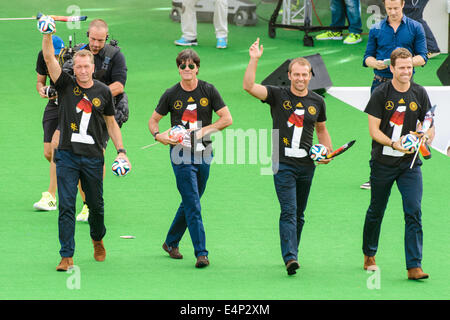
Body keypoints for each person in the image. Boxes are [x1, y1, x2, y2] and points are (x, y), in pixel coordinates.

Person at [38, 15, 131, 271]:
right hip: (67, 155)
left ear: (92, 67)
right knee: (66, 206)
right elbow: (48, 60)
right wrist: (48, 34)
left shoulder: (102, 91)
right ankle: (66, 255)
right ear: (74, 67)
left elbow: (111, 124)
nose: (81, 70)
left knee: (96, 206)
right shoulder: (66, 85)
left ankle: (97, 238)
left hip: (93, 157)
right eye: (77, 66)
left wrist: (121, 151)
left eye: (85, 67)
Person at [243, 38, 333, 276]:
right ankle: (290, 257)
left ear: (311, 75)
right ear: (289, 75)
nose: (300, 78)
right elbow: (249, 87)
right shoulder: (277, 95)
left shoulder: (318, 102)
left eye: (305, 74)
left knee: (300, 214)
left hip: (306, 165)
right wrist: (254, 60)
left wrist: (328, 153)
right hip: (281, 163)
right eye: (296, 74)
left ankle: (293, 250)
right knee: (289, 210)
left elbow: (322, 131)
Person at [148, 49, 232, 268]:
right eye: (183, 66)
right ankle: (201, 253)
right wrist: (160, 137)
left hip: (204, 152)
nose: (187, 69)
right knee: (193, 203)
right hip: (180, 154)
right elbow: (153, 121)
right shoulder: (171, 94)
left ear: (197, 68)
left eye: (191, 66)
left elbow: (227, 118)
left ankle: (170, 242)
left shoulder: (209, 90)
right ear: (178, 68)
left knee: (191, 200)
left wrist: (204, 131)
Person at [362, 47, 434, 280]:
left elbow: (429, 124)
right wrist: (394, 144)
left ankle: (414, 265)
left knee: (413, 210)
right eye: (402, 68)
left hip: (410, 164)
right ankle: (369, 254)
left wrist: (427, 135)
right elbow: (374, 131)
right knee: (377, 210)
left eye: (409, 67)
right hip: (383, 162)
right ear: (392, 68)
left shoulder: (420, 93)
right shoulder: (381, 94)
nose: (406, 71)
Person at [360, 0, 428, 190]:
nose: (392, 12)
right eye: (389, 8)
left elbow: (423, 57)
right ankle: (375, 177)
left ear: (403, 5)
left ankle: (408, 173)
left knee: (409, 127)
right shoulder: (376, 29)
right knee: (379, 131)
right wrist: (377, 63)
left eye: (396, 8)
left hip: (407, 87)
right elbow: (367, 57)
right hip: (380, 84)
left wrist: (401, 63)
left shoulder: (415, 27)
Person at [72, 19, 129, 222]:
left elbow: (119, 85)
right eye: (93, 39)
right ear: (88, 35)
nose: (96, 44)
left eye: (100, 40)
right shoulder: (79, 54)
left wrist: (96, 97)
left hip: (108, 110)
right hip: (82, 112)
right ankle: (87, 201)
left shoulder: (116, 56)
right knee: (77, 156)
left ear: (107, 37)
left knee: (97, 155)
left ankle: (91, 202)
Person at [33, 35, 65, 211]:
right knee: (48, 153)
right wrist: (43, 90)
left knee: (56, 146)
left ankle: (51, 196)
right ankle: (71, 173)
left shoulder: (71, 58)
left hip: (69, 106)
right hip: (53, 104)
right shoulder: (42, 56)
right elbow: (39, 81)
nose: (56, 57)